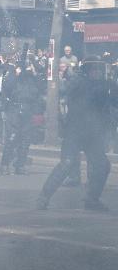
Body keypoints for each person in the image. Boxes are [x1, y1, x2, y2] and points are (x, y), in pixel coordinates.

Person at [38, 56, 114, 211]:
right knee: (67, 163)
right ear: (86, 70)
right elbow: (73, 93)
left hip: (92, 135)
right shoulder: (78, 83)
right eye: (94, 69)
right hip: (75, 133)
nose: (97, 72)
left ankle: (92, 199)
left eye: (99, 69)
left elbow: (112, 103)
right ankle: (44, 196)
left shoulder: (104, 86)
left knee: (103, 165)